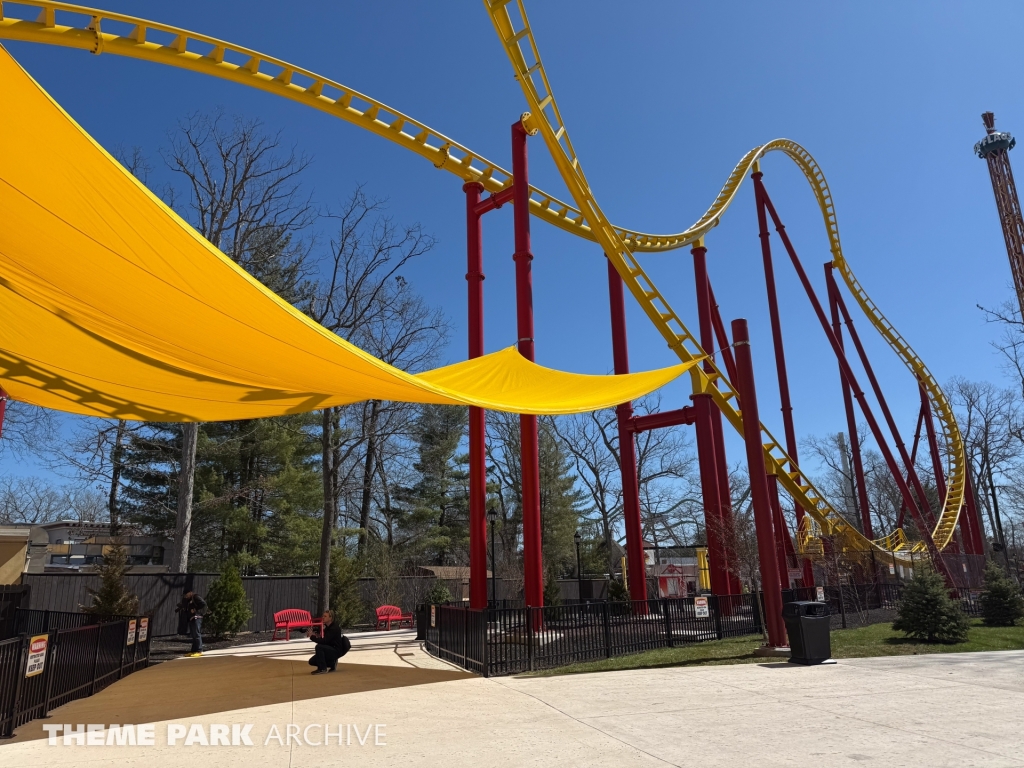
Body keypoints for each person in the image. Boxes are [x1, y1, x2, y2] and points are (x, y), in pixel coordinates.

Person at [307, 610, 350, 675]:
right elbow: (326, 640)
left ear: (330, 618)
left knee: (319, 647)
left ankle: (322, 669)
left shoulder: (334, 628)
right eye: (323, 616)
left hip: (336, 650)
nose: (323, 617)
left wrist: (312, 637)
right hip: (331, 648)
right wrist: (315, 635)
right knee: (312, 661)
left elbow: (324, 641)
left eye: (325, 616)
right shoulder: (328, 627)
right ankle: (332, 663)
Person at [175, 589, 206, 657]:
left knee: (197, 634)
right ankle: (193, 650)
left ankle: (199, 650)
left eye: (186, 594)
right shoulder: (188, 600)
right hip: (191, 618)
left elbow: (203, 603)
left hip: (197, 617)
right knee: (193, 635)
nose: (186, 596)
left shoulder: (195, 597)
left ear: (190, 593)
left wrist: (195, 609)